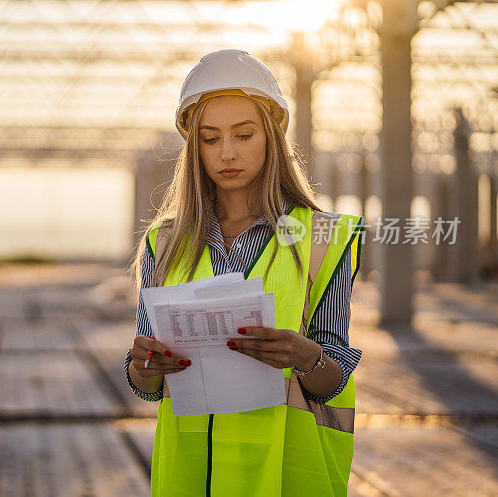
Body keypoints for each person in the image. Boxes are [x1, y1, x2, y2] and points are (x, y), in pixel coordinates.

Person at [124, 49, 365, 496]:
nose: (227, 153)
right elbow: (146, 385)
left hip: (286, 474)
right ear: (193, 147)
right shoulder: (166, 242)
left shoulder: (322, 237)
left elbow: (334, 383)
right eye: (210, 139)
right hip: (190, 477)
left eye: (244, 134)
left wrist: (303, 356)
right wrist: (145, 366)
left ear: (271, 137)